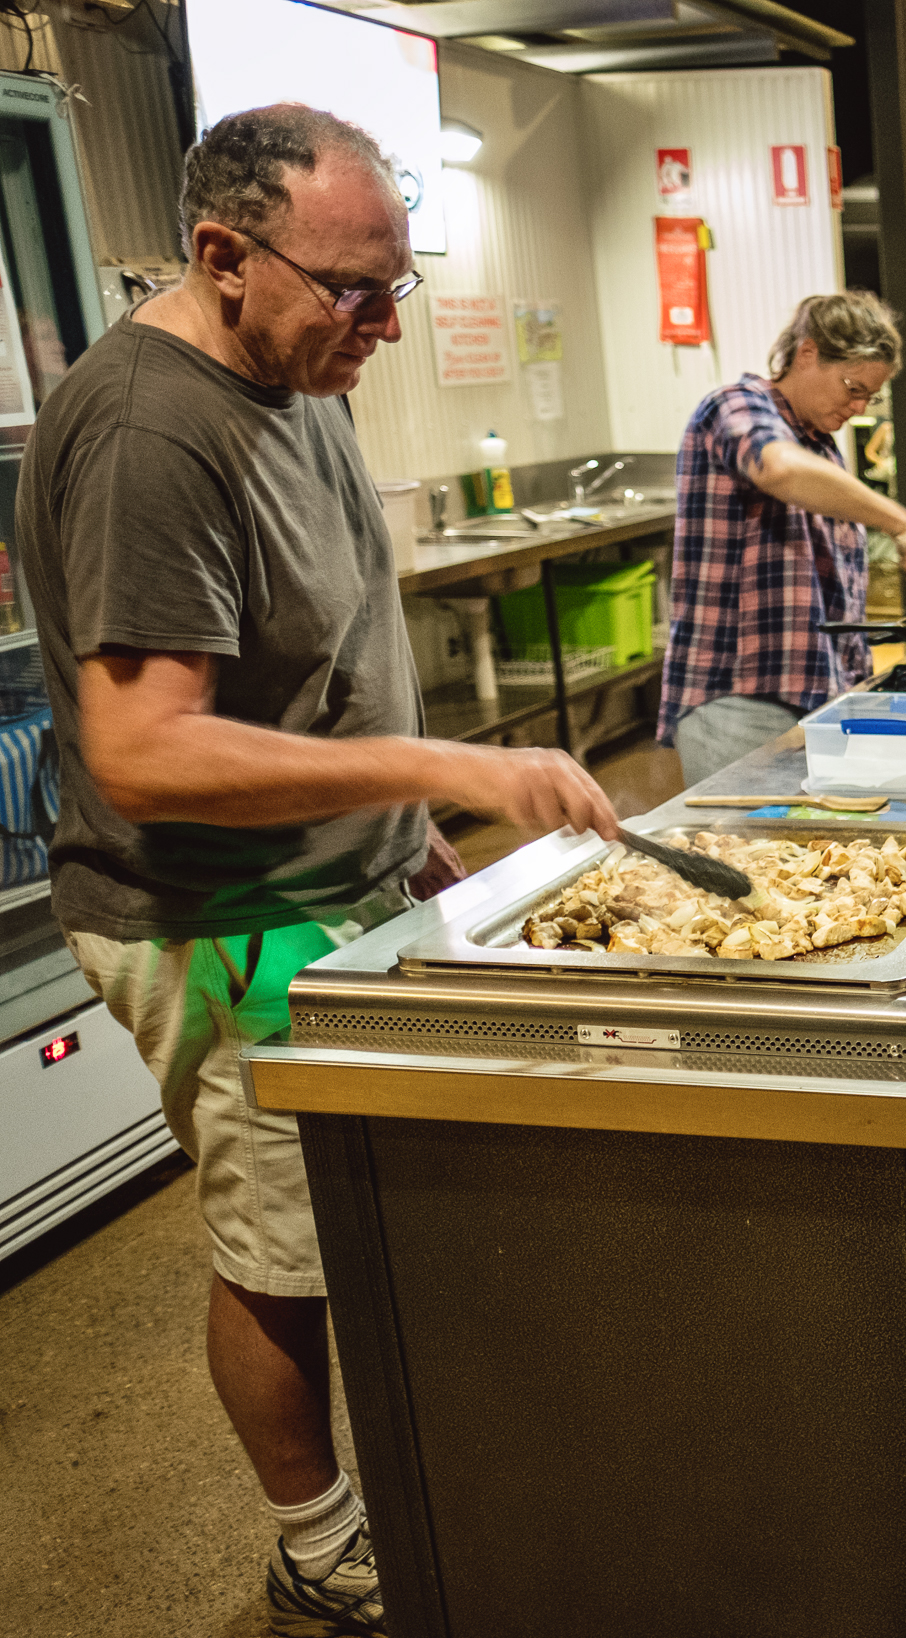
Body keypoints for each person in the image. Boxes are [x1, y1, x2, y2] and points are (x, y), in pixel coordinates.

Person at [15, 105, 623, 1637]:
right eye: (350, 289)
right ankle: (320, 1538)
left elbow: (311, 663)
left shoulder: (299, 373)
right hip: (224, 916)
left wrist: (393, 825)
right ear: (222, 255)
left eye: (396, 286)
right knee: (284, 1243)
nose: (382, 327)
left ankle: (441, 1474)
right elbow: (148, 748)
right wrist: (452, 769)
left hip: (337, 876)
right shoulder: (153, 431)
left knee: (383, 1203)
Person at [659, 291, 906, 781]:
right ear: (808, 353)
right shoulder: (734, 406)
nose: (858, 407)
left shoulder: (820, 446)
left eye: (869, 397)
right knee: (735, 854)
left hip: (813, 701)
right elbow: (778, 469)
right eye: (852, 387)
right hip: (738, 702)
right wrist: (903, 523)